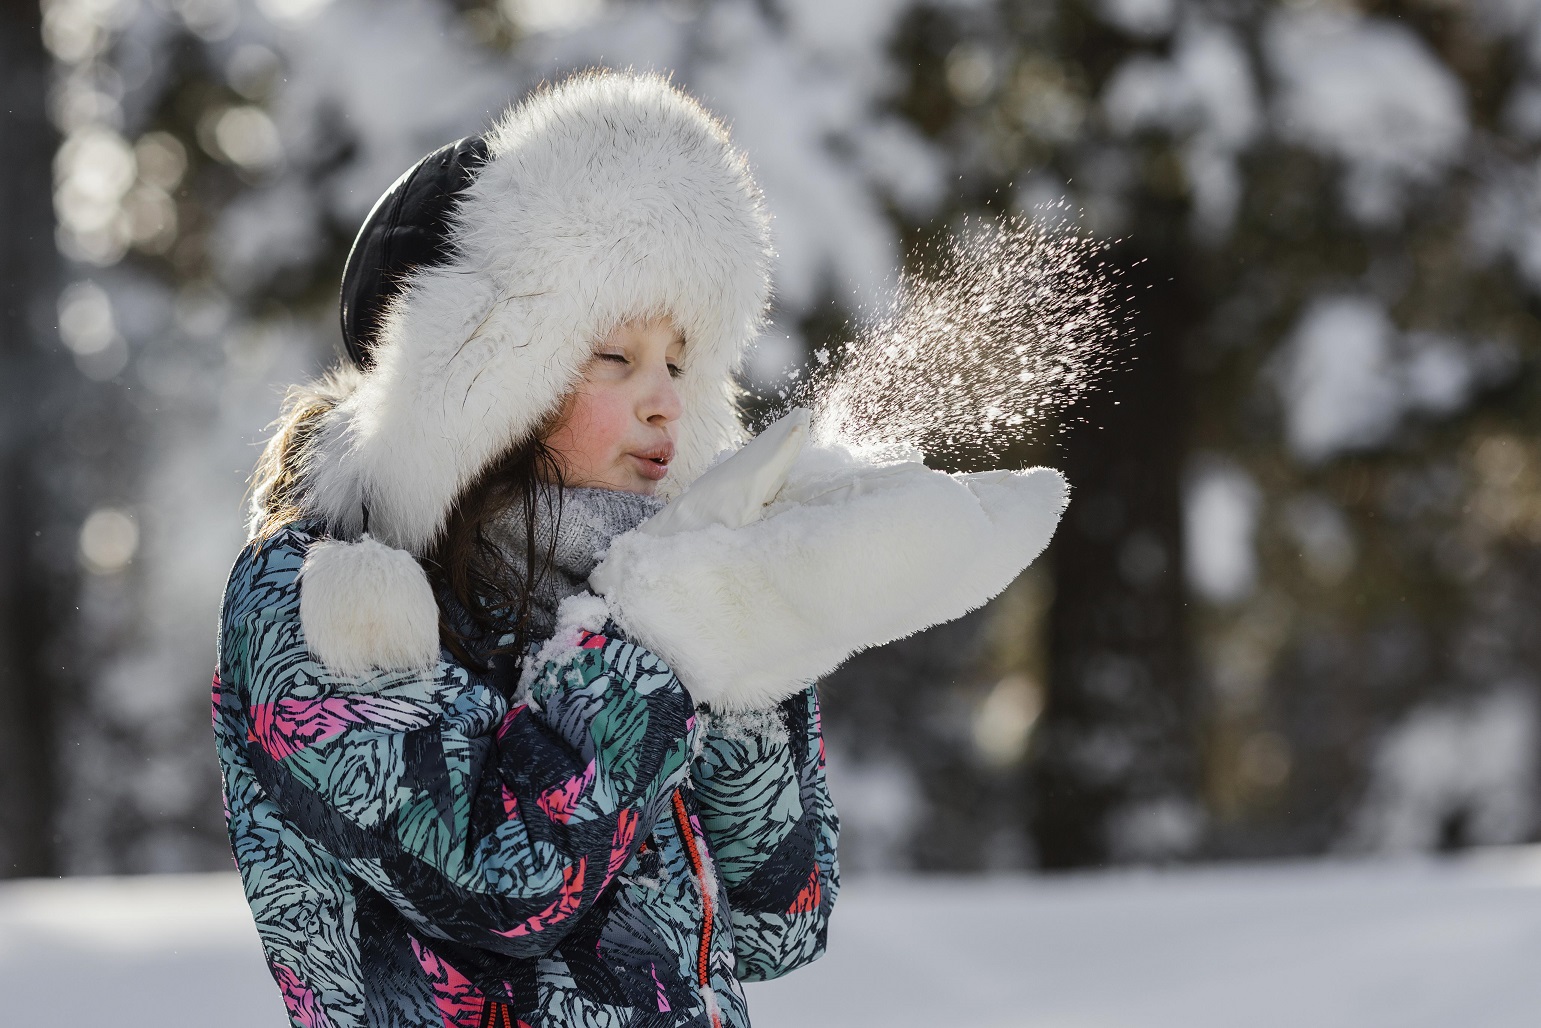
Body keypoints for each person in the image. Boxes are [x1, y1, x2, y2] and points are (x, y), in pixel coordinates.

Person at [215, 71, 1068, 1028]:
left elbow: (777, 922)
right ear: (475, 380)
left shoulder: (640, 581)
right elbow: (500, 883)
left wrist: (760, 615)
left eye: (679, 360)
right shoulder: (322, 589)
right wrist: (665, 636)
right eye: (615, 359)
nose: (663, 397)